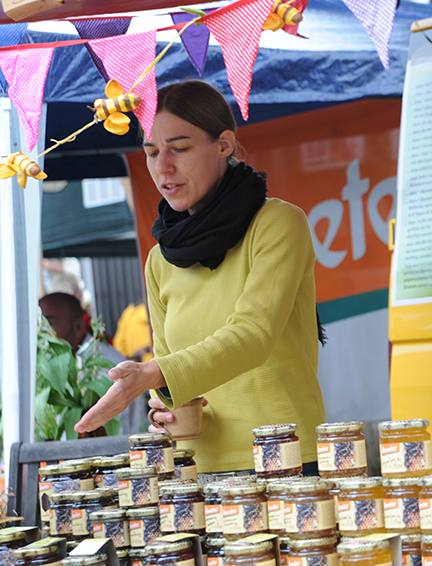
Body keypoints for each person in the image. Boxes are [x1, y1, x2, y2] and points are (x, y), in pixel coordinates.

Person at [74, 80, 326, 477]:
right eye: (152, 152)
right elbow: (175, 369)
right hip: (197, 473)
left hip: (286, 462)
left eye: (180, 148)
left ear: (224, 144)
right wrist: (167, 408)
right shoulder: (160, 260)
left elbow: (252, 335)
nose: (163, 167)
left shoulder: (278, 224)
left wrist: (155, 375)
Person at [39, 292, 147, 435]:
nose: (41, 333)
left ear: (78, 326)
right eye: (39, 325)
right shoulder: (50, 366)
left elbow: (119, 429)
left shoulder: (107, 364)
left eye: (49, 324)